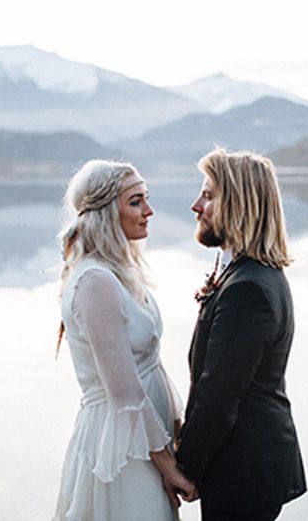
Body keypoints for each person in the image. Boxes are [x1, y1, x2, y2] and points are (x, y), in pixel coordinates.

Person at [53, 159, 197, 521]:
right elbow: (125, 392)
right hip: (122, 447)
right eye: (135, 201)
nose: (148, 211)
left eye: (146, 199)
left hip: (148, 439)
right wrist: (169, 467)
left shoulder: (122, 273)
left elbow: (152, 368)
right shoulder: (95, 282)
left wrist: (176, 432)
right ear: (104, 212)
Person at [174, 148, 307, 521]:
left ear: (239, 204)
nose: (196, 206)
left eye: (208, 195)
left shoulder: (248, 289)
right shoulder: (250, 274)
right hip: (245, 464)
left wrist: (184, 468)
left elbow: (219, 395)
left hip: (243, 470)